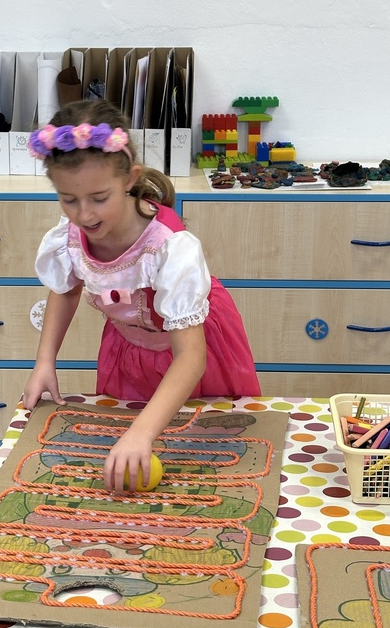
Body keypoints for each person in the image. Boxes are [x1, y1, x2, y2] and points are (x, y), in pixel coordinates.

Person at [22, 99, 261, 492]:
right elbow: (65, 289)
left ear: (130, 179)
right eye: (69, 199)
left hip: (193, 350)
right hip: (129, 352)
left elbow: (191, 357)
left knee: (204, 456)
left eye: (99, 198)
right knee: (129, 444)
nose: (84, 215)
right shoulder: (70, 236)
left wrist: (141, 433)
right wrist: (45, 361)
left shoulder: (169, 247)